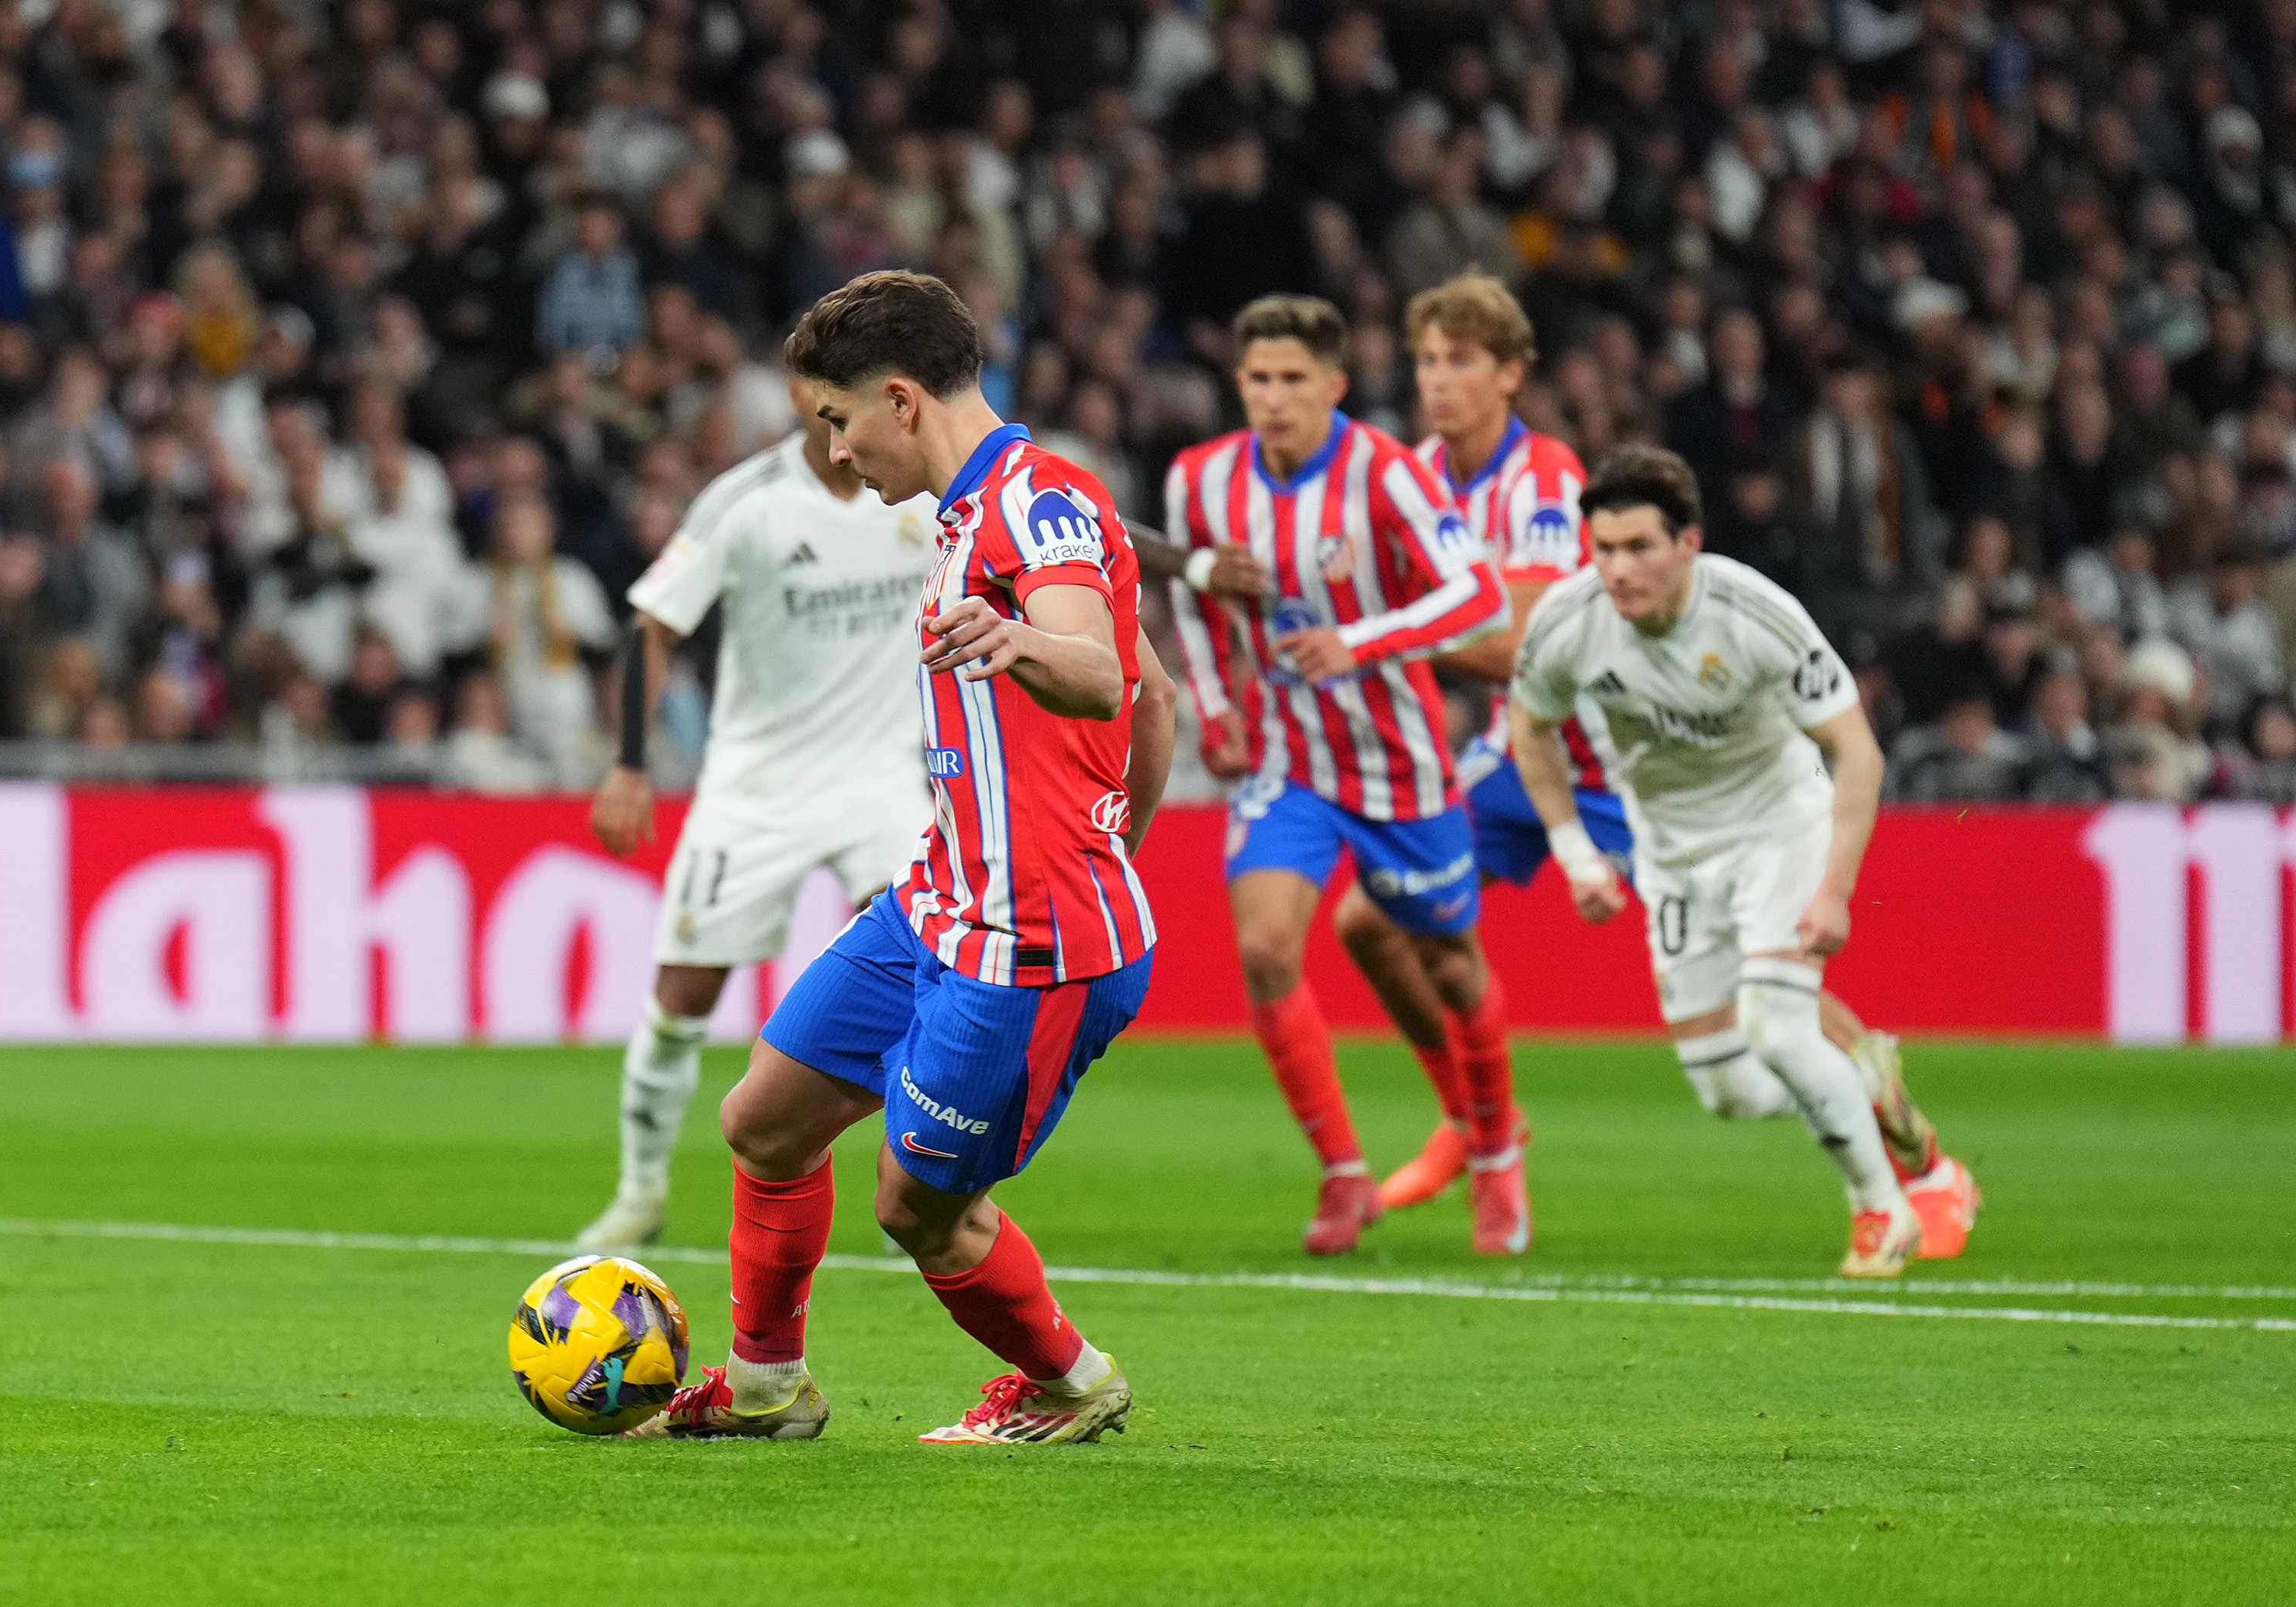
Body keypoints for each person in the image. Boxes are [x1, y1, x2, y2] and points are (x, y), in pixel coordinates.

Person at [629, 270, 1177, 1447]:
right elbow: (1159, 696)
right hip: (938, 900)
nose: (832, 450)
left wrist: (1083, 855)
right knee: (763, 1119)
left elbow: (1100, 671)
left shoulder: (1038, 504)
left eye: (836, 420)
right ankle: (769, 1383)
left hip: (1027, 936)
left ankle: (1071, 1380)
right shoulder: (966, 511)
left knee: (918, 1208)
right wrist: (1111, 836)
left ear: (898, 399)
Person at [1507, 444, 1979, 1278]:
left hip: (1778, 832)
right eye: (1603, 548)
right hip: (1672, 858)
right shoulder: (1565, 622)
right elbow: (1529, 727)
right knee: (1728, 1090)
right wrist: (1573, 851)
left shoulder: (1753, 615)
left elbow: (1855, 752)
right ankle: (1863, 1078)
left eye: (1638, 547)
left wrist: (1832, 892)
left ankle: (1881, 1209)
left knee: (1774, 1023)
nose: (1617, 569)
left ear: (1686, 542)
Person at [1164, 293, 1511, 1257]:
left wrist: (1356, 641)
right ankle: (1342, 1175)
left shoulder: (1386, 474)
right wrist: (1217, 708)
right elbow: (1189, 593)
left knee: (1448, 962)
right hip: (1285, 762)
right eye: (1257, 380)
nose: (1273, 399)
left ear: (1333, 386)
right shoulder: (1199, 479)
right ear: (1239, 383)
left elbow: (1477, 593)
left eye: (1292, 381)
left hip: (1398, 763)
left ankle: (1493, 1150)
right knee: (1268, 948)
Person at [575, 375, 942, 1252]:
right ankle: (639, 1191)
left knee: (925, 971)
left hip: (881, 779)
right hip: (755, 785)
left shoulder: (925, 493)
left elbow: (1070, 525)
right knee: (683, 992)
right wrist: (629, 764)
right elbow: (652, 626)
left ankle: (918, 1181)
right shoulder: (744, 504)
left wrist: (1192, 566)